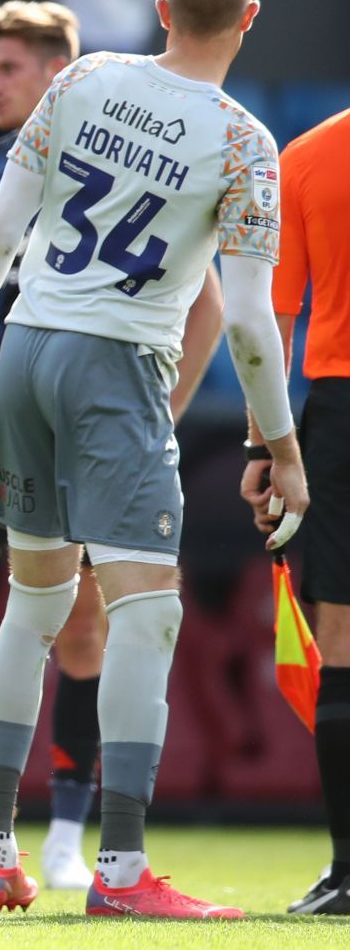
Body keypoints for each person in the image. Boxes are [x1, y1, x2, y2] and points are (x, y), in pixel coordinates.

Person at [0, 0, 301, 918]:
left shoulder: (90, 80)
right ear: (250, 18)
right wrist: (279, 444)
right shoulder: (243, 143)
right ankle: (119, 870)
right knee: (146, 610)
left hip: (24, 351)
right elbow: (244, 319)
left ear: (159, 9)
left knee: (34, 604)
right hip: (117, 367)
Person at [251, 99, 350, 916]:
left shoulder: (309, 156)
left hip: (340, 411)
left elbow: (271, 325)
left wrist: (262, 449)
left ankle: (349, 872)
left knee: (343, 637)